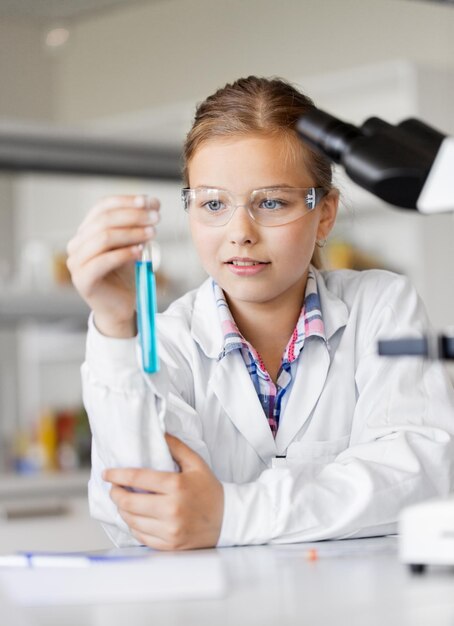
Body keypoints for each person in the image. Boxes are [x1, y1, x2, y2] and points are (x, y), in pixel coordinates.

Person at [67, 76, 454, 551]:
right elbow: (140, 510)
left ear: (325, 213)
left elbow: (414, 474)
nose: (240, 233)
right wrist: (113, 326)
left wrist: (230, 515)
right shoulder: (165, 341)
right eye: (213, 203)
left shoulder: (380, 305)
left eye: (271, 202)